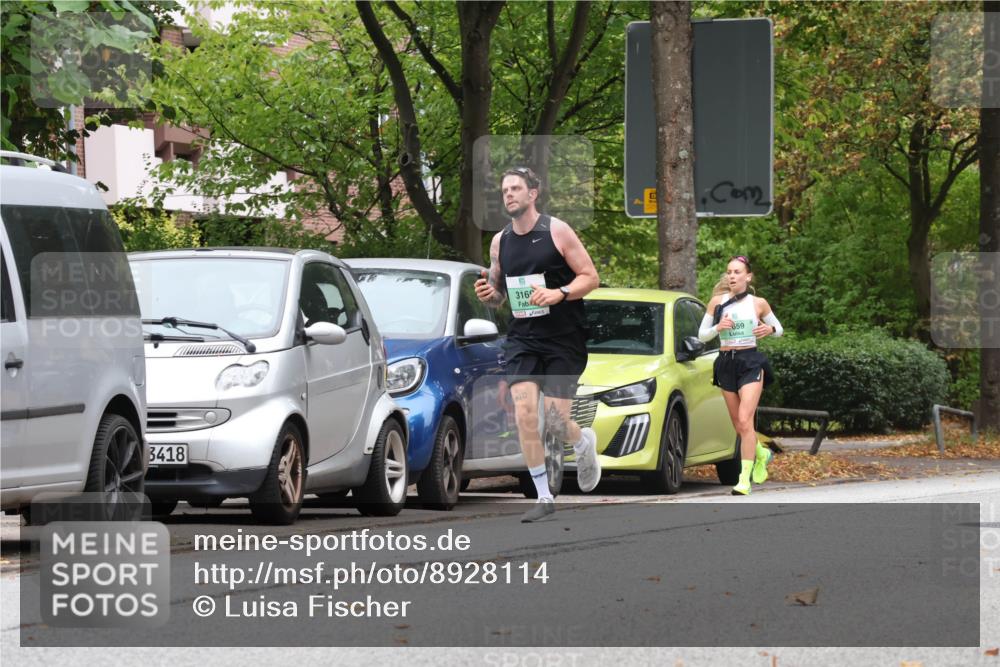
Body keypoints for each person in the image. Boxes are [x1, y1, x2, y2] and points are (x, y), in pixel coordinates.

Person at [475, 167, 601, 522]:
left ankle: (582, 442)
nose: (508, 194)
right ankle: (544, 496)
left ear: (533, 194)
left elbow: (591, 277)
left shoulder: (557, 230)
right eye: (505, 190)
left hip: (563, 339)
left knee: (557, 421)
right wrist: (488, 293)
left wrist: (559, 293)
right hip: (522, 339)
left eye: (516, 188)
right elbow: (498, 294)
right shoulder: (500, 241)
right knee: (526, 415)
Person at [697, 255, 784, 496]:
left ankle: (743, 480)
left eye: (737, 272)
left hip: (750, 362)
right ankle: (761, 453)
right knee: (739, 425)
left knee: (745, 420)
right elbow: (701, 335)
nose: (732, 276)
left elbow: (779, 329)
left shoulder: (759, 303)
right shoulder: (717, 302)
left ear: (748, 276)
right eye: (729, 272)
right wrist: (718, 328)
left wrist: (769, 328)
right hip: (726, 363)